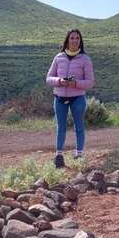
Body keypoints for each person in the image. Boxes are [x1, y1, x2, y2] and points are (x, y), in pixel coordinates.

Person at [46, 29, 95, 168]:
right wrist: (59, 81)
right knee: (61, 127)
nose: (74, 40)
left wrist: (76, 83)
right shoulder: (58, 57)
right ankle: (58, 156)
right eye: (72, 38)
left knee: (79, 126)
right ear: (67, 40)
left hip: (77, 98)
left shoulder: (85, 59)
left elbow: (90, 82)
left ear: (80, 41)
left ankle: (79, 154)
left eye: (77, 38)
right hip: (59, 97)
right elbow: (48, 78)